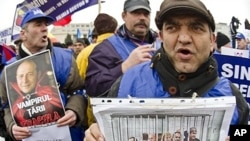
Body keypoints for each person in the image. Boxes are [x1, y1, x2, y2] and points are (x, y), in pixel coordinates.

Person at [84, 0, 249, 140]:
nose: (184, 38)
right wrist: (95, 134)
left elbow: (243, 132)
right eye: (172, 28)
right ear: (161, 36)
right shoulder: (127, 83)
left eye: (196, 28)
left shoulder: (232, 95)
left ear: (212, 40)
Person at [0, 8, 86, 141]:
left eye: (46, 25)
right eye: (38, 24)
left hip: (67, 134)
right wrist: (12, 126)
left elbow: (78, 91)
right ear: (23, 35)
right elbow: (6, 106)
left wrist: (74, 111)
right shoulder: (9, 68)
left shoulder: (65, 58)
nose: (45, 28)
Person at [85, 0, 158, 97]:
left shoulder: (162, 45)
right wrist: (125, 67)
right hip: (123, 111)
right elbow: (93, 88)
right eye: (136, 13)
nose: (142, 18)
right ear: (124, 16)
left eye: (146, 14)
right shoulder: (106, 48)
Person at [8, 60, 64, 127]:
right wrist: (11, 127)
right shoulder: (15, 106)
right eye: (21, 76)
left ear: (38, 74)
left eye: (30, 74)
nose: (25, 80)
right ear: (16, 78)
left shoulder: (52, 93)